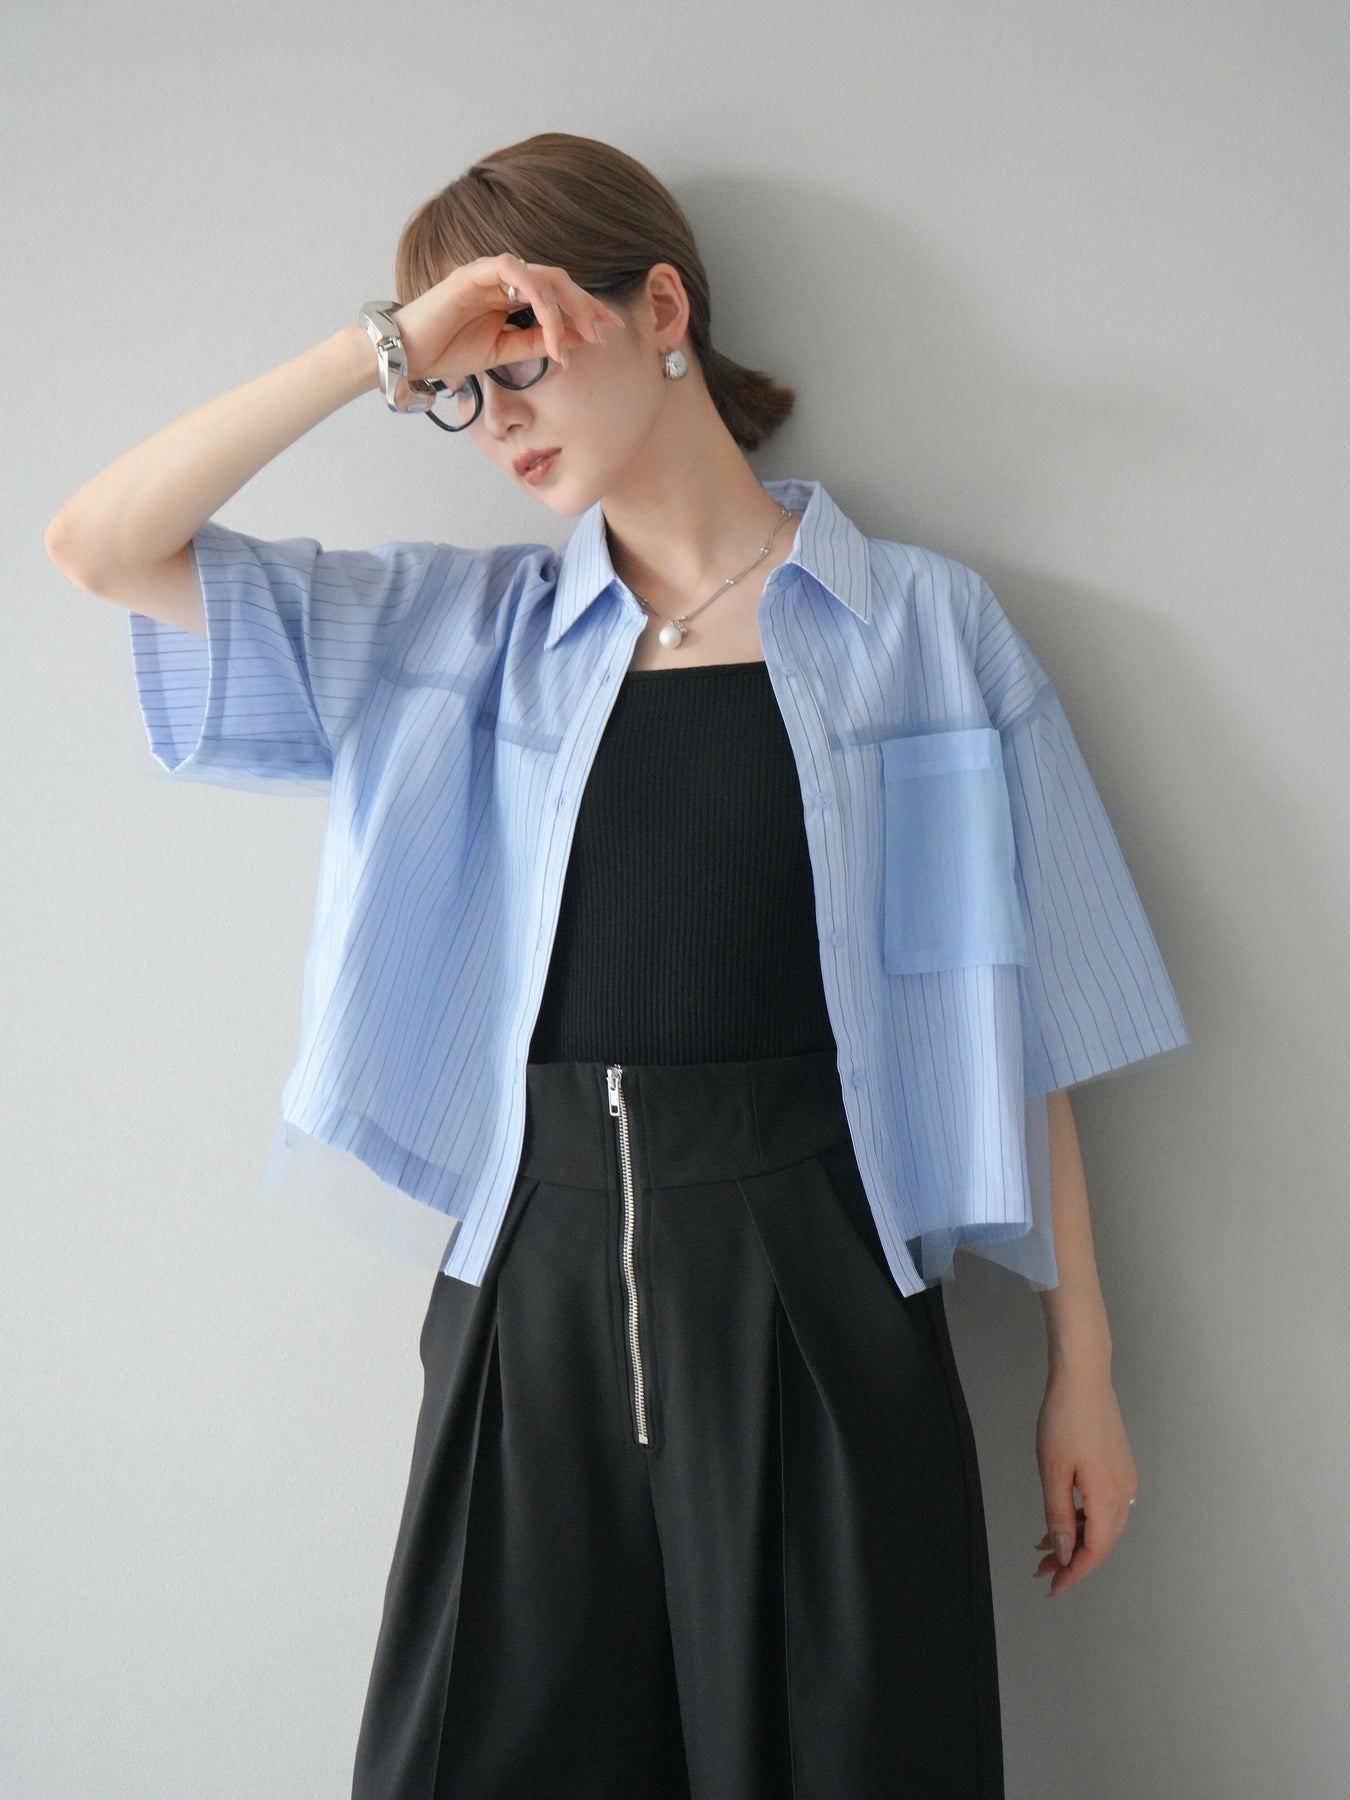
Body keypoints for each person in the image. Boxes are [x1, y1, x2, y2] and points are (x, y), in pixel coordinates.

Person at [45, 132, 1190, 1800]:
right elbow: (99, 544)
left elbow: (1026, 1026)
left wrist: (1081, 1372)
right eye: (458, 390)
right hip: (530, 1287)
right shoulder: (458, 635)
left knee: (848, 1759)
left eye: (518, 357)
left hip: (823, 1281)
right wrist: (383, 347)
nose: (495, 418)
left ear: (661, 309)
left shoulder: (921, 634)